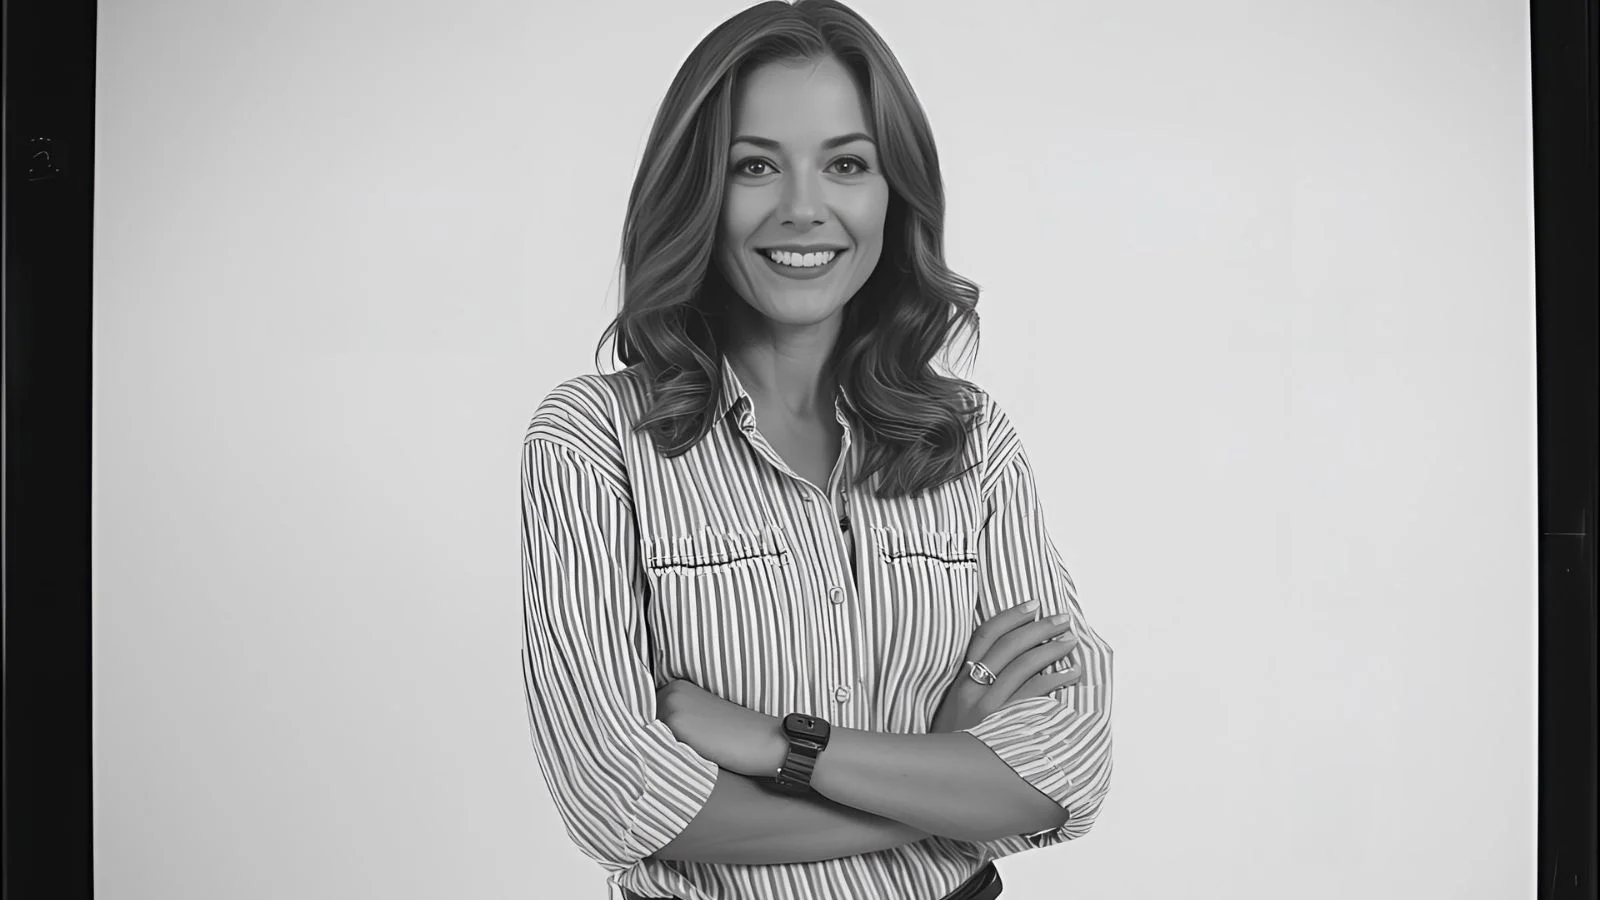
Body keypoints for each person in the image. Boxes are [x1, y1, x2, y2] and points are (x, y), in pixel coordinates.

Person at [519, 2, 1113, 898]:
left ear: (892, 193)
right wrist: (943, 773)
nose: (804, 208)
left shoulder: (971, 442)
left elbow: (1066, 766)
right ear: (695, 196)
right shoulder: (593, 443)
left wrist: (783, 748)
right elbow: (621, 800)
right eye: (755, 166)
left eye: (846, 163)